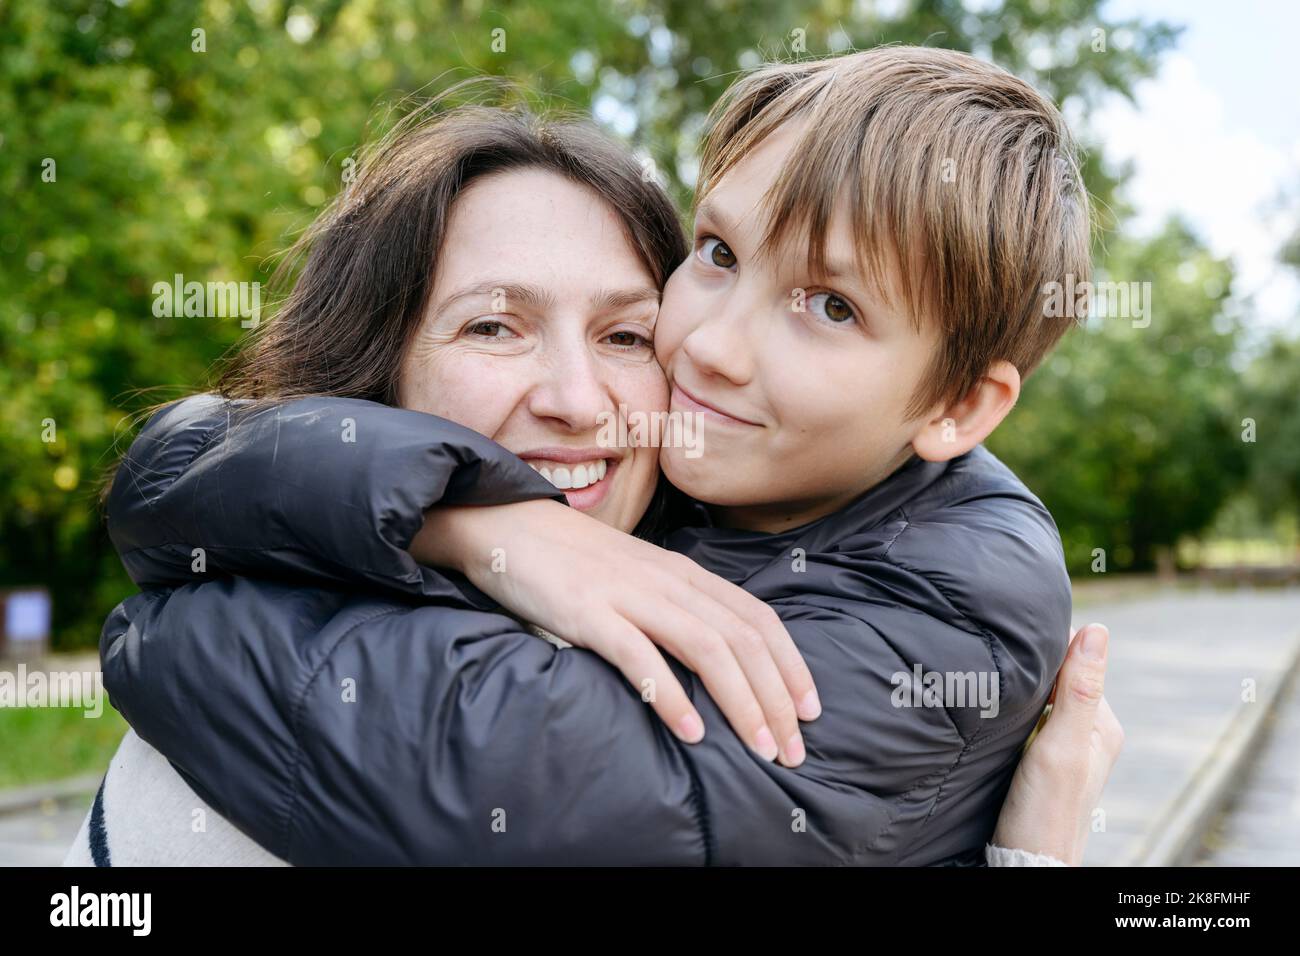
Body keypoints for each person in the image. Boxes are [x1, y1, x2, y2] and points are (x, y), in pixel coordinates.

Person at [76, 48, 1119, 865]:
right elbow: (179, 466)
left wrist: (163, 624)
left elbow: (502, 773)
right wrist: (472, 519)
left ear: (957, 403)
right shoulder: (711, 487)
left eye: (831, 305)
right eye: (716, 254)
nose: (704, 343)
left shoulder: (956, 591)